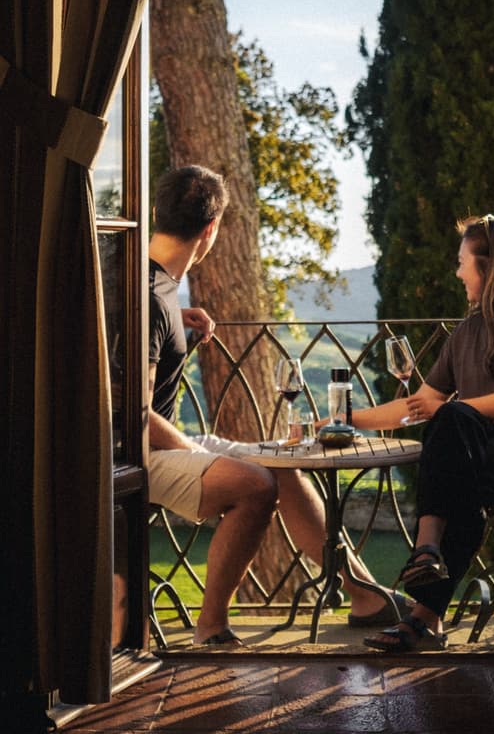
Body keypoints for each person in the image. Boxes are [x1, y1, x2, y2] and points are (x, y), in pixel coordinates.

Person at [148, 165, 410, 647]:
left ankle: (365, 595)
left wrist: (175, 322)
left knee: (282, 464)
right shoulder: (148, 296)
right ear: (211, 230)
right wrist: (193, 450)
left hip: (159, 440)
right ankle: (211, 628)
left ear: (155, 213)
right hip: (133, 451)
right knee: (256, 484)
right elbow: (131, 413)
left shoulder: (154, 286)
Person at [351, 214, 494, 652]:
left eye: (463, 262)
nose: (457, 272)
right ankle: (424, 604)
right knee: (457, 468)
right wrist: (349, 420)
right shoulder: (466, 331)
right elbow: (418, 406)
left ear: (489, 267)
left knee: (452, 427)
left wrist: (452, 409)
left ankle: (424, 577)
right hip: (465, 459)